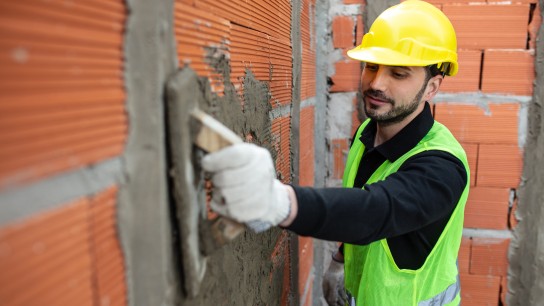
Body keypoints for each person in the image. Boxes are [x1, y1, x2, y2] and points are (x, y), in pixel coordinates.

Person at [202, 1, 470, 305]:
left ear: (432, 87)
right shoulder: (368, 132)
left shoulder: (443, 167)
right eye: (372, 66)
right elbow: (361, 198)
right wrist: (340, 260)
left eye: (398, 73)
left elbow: (378, 210)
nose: (376, 83)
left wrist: (280, 202)